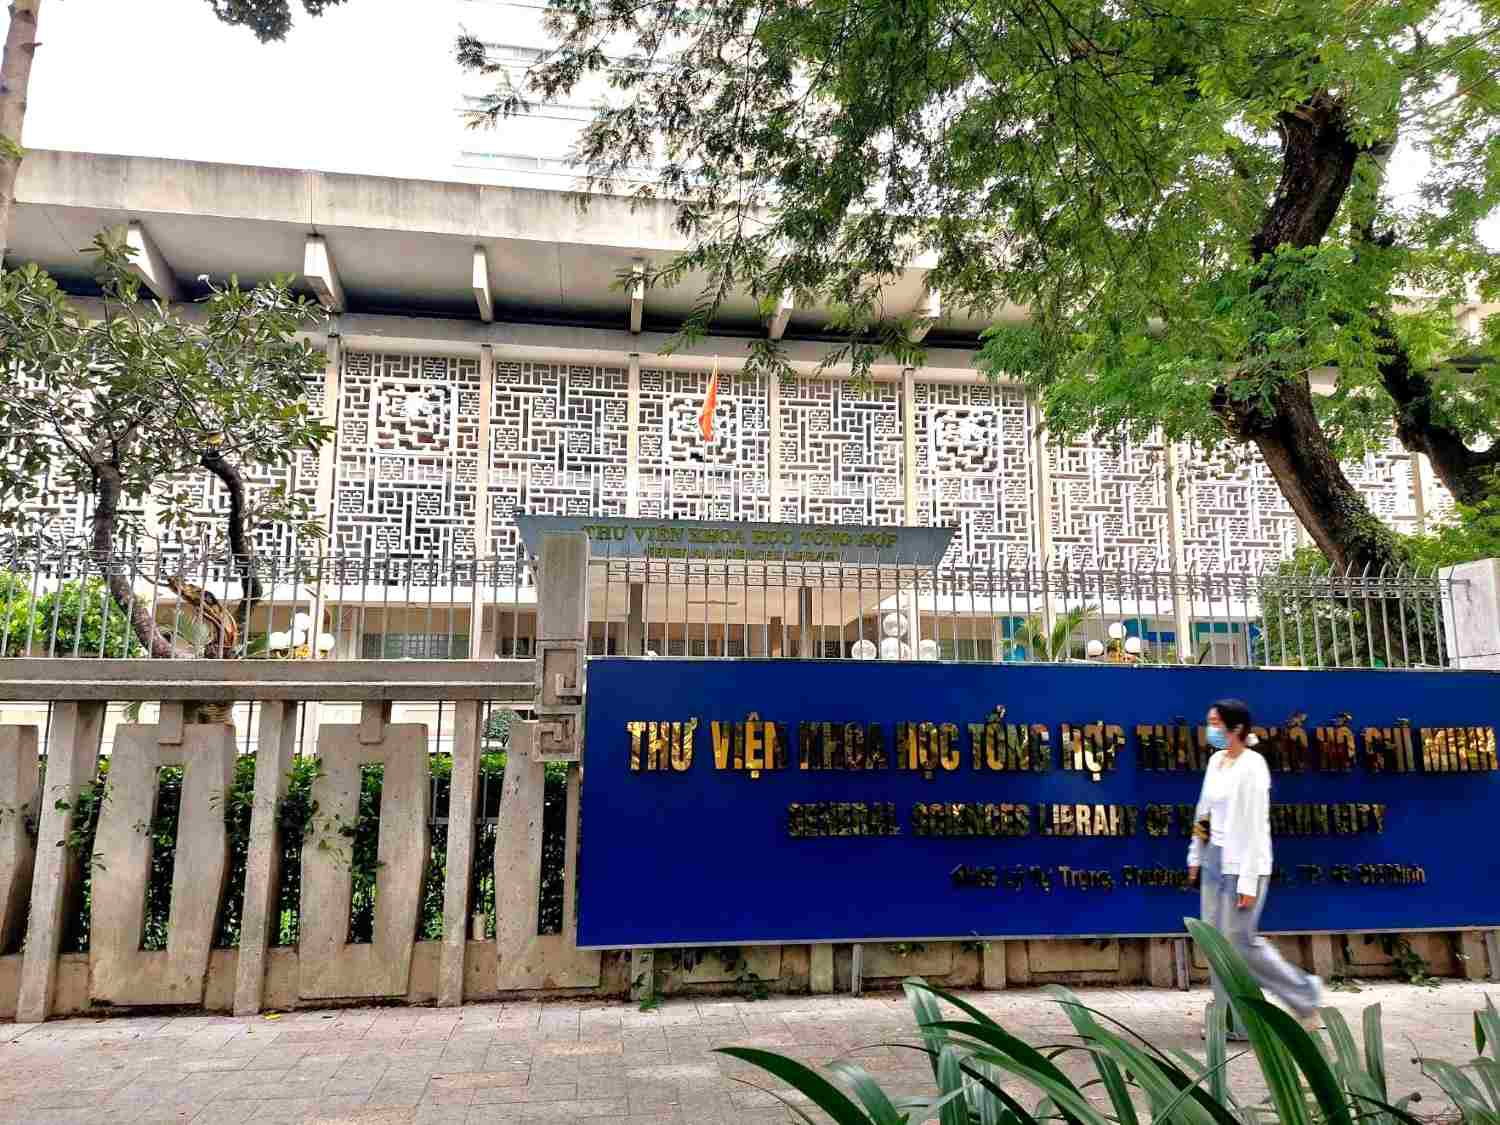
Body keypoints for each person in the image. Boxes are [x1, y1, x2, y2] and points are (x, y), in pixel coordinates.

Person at [1188, 698, 1321, 1038]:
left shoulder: (1253, 766)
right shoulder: (1217, 762)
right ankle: (1232, 1020)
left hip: (1244, 863)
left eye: (1216, 723)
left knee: (1241, 942)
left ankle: (1304, 994)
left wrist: (1248, 881)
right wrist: (1195, 855)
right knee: (1215, 942)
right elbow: (1204, 812)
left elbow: (1253, 826)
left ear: (1236, 729)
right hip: (1214, 859)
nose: (1211, 729)